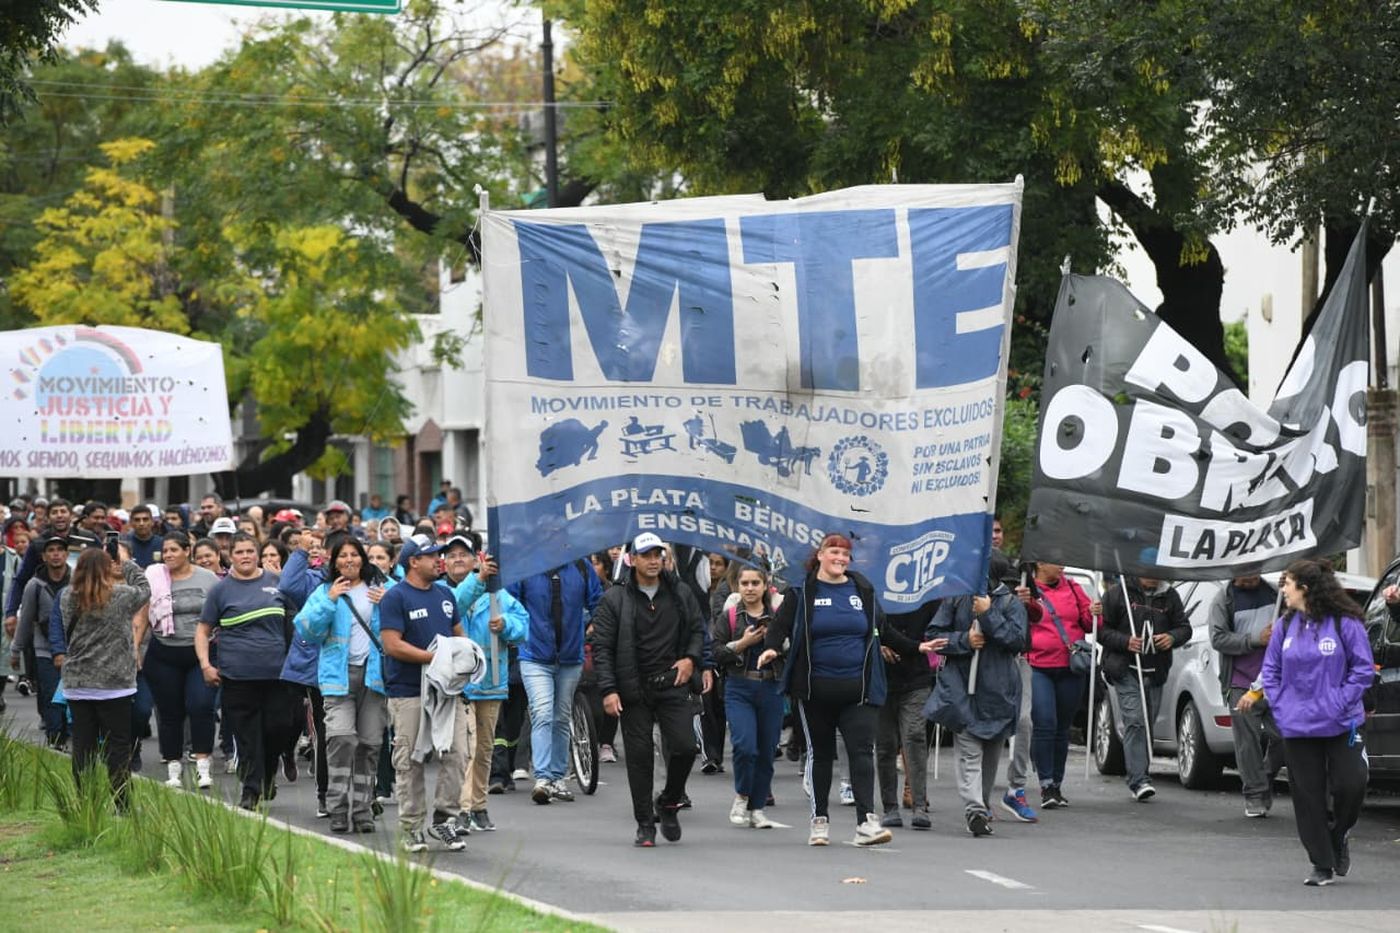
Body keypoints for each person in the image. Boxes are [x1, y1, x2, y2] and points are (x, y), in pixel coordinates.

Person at [758, 533, 892, 848]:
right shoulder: (803, 591)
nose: (840, 559)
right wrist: (771, 649)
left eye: (845, 554)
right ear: (820, 555)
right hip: (815, 690)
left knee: (862, 752)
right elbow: (780, 626)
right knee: (821, 754)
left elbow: (882, 629)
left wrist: (917, 646)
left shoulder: (862, 588)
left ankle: (866, 823)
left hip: (857, 691)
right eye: (834, 552)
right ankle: (820, 821)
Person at [1259, 559, 1373, 886]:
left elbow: (1362, 670)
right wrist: (1281, 707)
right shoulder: (1285, 625)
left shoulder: (1345, 624)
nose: (1283, 590)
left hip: (1341, 723)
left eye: (1287, 584)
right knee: (1308, 797)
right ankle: (1321, 863)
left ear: (1304, 589)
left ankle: (1338, 836)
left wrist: (1339, 702)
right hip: (1298, 726)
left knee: (1351, 785)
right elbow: (1271, 671)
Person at [593, 533, 705, 847]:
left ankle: (669, 802)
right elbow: (602, 648)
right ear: (633, 560)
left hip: (672, 684)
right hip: (633, 690)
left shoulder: (680, 592)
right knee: (640, 758)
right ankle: (645, 824)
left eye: (658, 554)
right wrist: (608, 690)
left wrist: (691, 659)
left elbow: (698, 629)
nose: (654, 560)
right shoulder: (615, 599)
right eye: (647, 555)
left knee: (685, 748)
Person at [378, 533, 477, 854]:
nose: (440, 560)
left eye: (440, 554)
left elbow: (458, 637)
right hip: (407, 692)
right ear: (413, 562)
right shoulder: (396, 597)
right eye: (433, 555)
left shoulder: (446, 595)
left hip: (445, 691)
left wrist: (466, 657)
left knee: (458, 754)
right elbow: (392, 644)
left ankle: (444, 820)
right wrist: (436, 658)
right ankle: (411, 826)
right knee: (411, 760)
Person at [922, 551, 1027, 837]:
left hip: (998, 692)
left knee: (991, 755)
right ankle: (974, 810)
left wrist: (988, 615)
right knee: (969, 753)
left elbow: (1017, 641)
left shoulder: (1011, 604)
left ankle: (982, 803)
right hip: (962, 689)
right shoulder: (956, 598)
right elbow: (934, 637)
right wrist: (964, 640)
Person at [294, 536, 391, 834]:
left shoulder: (383, 589)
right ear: (333, 561)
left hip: (374, 677)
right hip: (338, 677)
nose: (349, 560)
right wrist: (330, 600)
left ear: (363, 558)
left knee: (370, 744)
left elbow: (401, 625)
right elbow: (306, 630)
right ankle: (337, 806)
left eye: (354, 554)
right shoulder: (324, 591)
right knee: (340, 738)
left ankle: (362, 810)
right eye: (342, 556)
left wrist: (387, 604)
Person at [195, 532, 295, 810]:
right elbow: (203, 631)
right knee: (248, 737)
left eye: (251, 551)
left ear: (258, 553)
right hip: (237, 676)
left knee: (279, 729)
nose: (245, 556)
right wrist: (206, 664)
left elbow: (296, 624)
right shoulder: (220, 590)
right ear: (232, 556)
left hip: (277, 674)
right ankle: (251, 791)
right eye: (239, 552)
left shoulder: (277, 583)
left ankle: (266, 774)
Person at [50, 546, 151, 811]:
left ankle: (86, 803)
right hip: (114, 684)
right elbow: (144, 589)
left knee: (83, 746)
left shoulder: (66, 597)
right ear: (108, 568)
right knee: (118, 747)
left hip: (78, 683)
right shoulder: (121, 595)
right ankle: (122, 803)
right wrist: (127, 564)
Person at [507, 553, 604, 804]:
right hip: (534, 655)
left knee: (561, 716)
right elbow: (511, 604)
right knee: (541, 712)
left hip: (570, 656)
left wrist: (595, 626)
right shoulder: (525, 566)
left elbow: (598, 603)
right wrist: (516, 631)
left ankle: (558, 777)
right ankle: (543, 778)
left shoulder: (581, 566)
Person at [1100, 575, 1192, 801]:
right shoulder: (1116, 593)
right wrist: (1125, 642)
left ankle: (1139, 773)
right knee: (1135, 720)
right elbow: (1101, 631)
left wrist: (1171, 637)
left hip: (1155, 671)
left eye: (1155, 573)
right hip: (1125, 669)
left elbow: (1184, 628)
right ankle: (1139, 780)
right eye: (1146, 573)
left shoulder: (1170, 595)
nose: (1152, 578)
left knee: (1147, 724)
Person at [141, 531, 221, 789]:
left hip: (200, 653)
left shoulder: (207, 578)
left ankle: (203, 766)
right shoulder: (155, 578)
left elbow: (221, 612)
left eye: (174, 550)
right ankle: (173, 768)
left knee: (200, 706)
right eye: (165, 551)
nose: (168, 556)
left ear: (188, 551)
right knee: (170, 713)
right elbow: (142, 616)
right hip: (164, 652)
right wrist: (134, 648)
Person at [454, 563, 526, 833]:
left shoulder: (499, 597)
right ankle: (461, 809)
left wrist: (506, 625)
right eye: (453, 556)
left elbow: (523, 625)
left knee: (484, 749)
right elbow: (454, 608)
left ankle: (478, 806)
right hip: (459, 686)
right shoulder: (444, 592)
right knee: (466, 749)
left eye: (465, 556)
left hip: (491, 683)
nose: (459, 561)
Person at [711, 561, 783, 829]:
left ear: (765, 585)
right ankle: (742, 794)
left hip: (771, 687)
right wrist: (742, 644)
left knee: (766, 751)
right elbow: (715, 651)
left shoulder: (777, 615)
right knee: (744, 746)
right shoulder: (730, 616)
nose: (750, 588)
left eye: (755, 583)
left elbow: (792, 645)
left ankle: (757, 807)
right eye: (745, 583)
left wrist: (777, 645)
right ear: (737, 586)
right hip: (739, 687)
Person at [1209, 574, 1284, 817]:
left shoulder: (1276, 592)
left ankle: (1264, 777)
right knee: (1247, 741)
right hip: (1240, 681)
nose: (1251, 575)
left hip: (1276, 679)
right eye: (1246, 570)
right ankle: (1254, 793)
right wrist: (1255, 639)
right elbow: (1218, 638)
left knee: (1286, 736)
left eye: (1255, 569)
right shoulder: (1224, 600)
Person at [1025, 560, 1096, 812]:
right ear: (1040, 564)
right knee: (1045, 722)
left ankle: (1056, 783)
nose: (1063, 566)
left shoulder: (1074, 588)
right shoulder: (1028, 588)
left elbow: (1088, 624)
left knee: (1062, 728)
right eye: (1057, 562)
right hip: (1038, 666)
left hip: (1070, 666)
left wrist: (1095, 611)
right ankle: (1046, 784)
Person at [875, 596, 938, 830]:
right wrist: (877, 645)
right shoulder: (874, 588)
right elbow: (861, 625)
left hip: (916, 675)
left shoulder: (928, 593)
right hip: (881, 679)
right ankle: (889, 806)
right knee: (885, 744)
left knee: (914, 736)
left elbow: (940, 626)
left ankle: (919, 804)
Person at [11, 532, 73, 747]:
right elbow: (26, 619)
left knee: (71, 697)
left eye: (60, 550)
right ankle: (55, 740)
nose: (56, 555)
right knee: (50, 696)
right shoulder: (34, 585)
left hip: (74, 650)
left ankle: (68, 736)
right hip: (44, 649)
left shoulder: (76, 582)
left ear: (66, 554)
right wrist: (16, 650)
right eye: (51, 551)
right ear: (44, 557)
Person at [121, 504, 164, 569]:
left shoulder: (162, 543)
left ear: (152, 522)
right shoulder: (123, 543)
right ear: (131, 523)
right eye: (137, 520)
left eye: (145, 519)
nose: (141, 523)